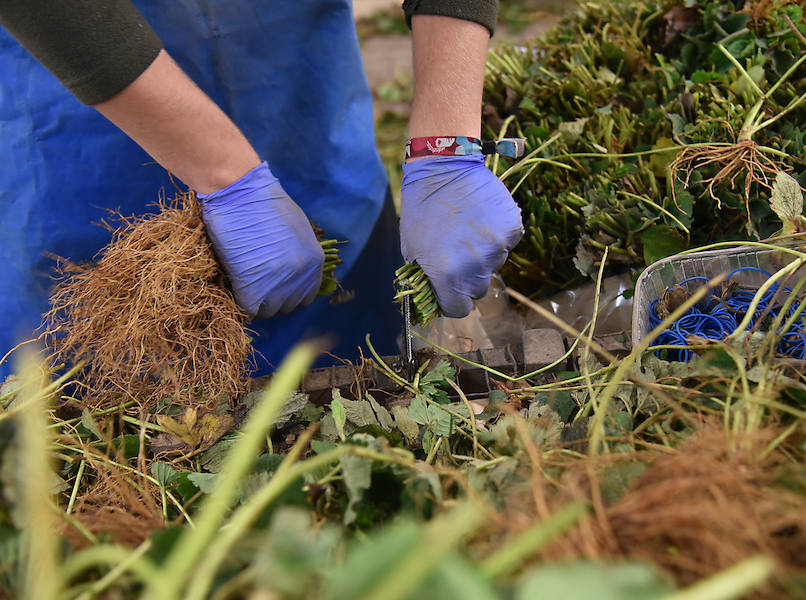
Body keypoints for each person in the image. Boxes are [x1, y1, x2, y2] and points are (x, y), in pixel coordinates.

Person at [0, 0, 524, 377]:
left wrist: (445, 145)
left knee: (359, 384)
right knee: (111, 422)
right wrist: (229, 184)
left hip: (293, 75)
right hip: (80, 87)